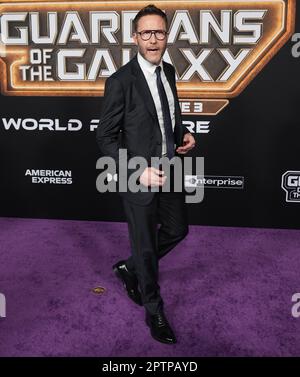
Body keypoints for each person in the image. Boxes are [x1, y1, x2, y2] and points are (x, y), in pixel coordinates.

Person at [97, 4, 196, 344]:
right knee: (147, 249)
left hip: (170, 168)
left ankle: (129, 267)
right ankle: (154, 310)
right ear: (135, 37)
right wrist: (137, 171)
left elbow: (169, 113)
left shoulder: (168, 71)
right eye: (146, 33)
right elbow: (105, 137)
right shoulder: (120, 81)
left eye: (160, 32)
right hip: (137, 177)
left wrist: (183, 133)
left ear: (167, 36)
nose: (154, 40)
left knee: (178, 229)